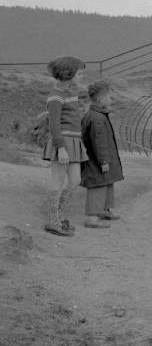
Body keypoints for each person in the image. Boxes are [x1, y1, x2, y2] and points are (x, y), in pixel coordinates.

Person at [41, 56, 88, 237]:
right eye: (80, 73)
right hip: (62, 142)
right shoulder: (55, 97)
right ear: (69, 73)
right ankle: (53, 220)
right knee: (58, 180)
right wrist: (60, 148)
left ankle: (60, 215)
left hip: (75, 142)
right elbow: (54, 125)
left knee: (75, 180)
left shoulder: (71, 92)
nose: (81, 76)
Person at [80, 79, 123, 228]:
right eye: (109, 96)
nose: (111, 99)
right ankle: (92, 217)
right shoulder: (97, 118)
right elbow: (99, 142)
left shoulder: (96, 114)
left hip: (101, 159)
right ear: (100, 99)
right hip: (97, 160)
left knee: (107, 182)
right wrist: (103, 161)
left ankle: (106, 210)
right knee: (97, 184)